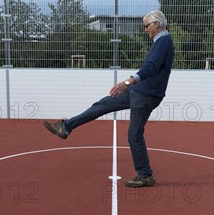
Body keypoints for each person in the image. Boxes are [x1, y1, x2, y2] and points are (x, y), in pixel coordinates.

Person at [44, 10, 174, 188]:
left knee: (134, 134)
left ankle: (145, 175)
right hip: (140, 91)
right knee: (103, 104)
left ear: (157, 25)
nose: (145, 30)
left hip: (145, 95)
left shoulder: (164, 41)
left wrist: (127, 82)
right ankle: (65, 126)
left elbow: (151, 68)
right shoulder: (160, 41)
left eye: (147, 26)